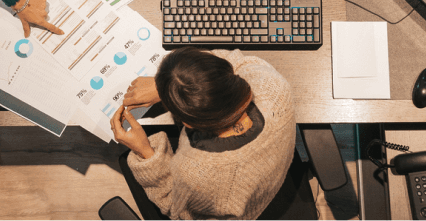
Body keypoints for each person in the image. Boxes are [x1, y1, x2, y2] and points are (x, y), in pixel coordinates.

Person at [110, 47, 295, 220]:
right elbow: (231, 61)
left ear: (188, 122)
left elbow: (177, 209)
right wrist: (179, 85)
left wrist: (145, 152)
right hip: (275, 174)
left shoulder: (196, 172)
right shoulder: (272, 85)